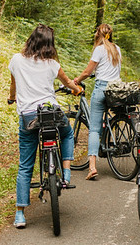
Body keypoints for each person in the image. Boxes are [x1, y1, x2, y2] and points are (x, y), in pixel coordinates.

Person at [8, 24, 82, 229]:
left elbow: (13, 86)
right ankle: (66, 173)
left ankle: (20, 214)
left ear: (31, 40)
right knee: (67, 134)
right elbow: (68, 82)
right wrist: (77, 90)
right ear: (50, 44)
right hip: (52, 113)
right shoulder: (52, 64)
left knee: (25, 165)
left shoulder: (16, 60)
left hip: (29, 117)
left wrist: (11, 98)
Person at [73, 23, 122, 180]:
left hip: (102, 88)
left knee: (94, 129)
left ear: (98, 35)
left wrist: (76, 80)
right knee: (108, 117)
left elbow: (88, 72)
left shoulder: (99, 49)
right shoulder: (117, 49)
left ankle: (92, 167)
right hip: (116, 89)